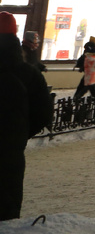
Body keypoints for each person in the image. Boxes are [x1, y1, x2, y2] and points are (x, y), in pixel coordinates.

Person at [0, 11, 53, 221]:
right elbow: (44, 112)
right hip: (10, 150)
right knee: (7, 201)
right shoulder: (29, 74)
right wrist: (21, 132)